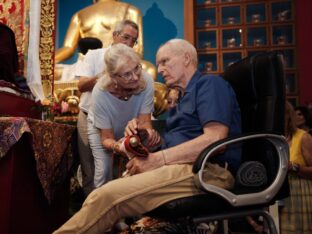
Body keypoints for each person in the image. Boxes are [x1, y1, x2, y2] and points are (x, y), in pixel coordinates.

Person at [53, 38, 241, 233]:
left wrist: (157, 160)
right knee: (100, 195)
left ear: (186, 58)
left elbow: (216, 141)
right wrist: (143, 139)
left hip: (208, 172)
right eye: (158, 63)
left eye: (165, 61)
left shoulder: (210, 84)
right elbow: (173, 143)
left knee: (107, 196)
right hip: (183, 168)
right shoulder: (182, 98)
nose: (159, 69)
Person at [75, 20, 148, 196]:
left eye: (134, 40)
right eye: (126, 37)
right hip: (89, 118)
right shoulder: (94, 55)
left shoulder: (134, 65)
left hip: (120, 120)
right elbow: (81, 85)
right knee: (91, 169)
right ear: (114, 36)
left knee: (118, 169)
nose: (129, 43)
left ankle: (116, 215)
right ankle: (91, 211)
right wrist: (106, 75)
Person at [87, 43, 158, 188]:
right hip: (102, 132)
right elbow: (106, 138)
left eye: (137, 68)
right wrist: (120, 147)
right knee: (104, 171)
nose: (135, 77)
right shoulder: (100, 93)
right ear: (113, 77)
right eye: (127, 74)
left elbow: (145, 122)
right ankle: (100, 207)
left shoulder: (147, 81)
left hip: (132, 128)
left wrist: (149, 135)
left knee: (139, 167)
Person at [55, 0, 157, 80]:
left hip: (118, 61)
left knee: (149, 70)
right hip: (86, 63)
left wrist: (124, 64)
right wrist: (45, 63)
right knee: (51, 72)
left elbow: (137, 49)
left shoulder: (131, 10)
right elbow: (68, 47)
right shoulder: (79, 15)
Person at [279, 102, 312, 234]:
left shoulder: (303, 137)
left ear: (288, 116)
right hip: (280, 194)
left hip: (300, 193)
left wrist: (293, 167)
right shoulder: (275, 138)